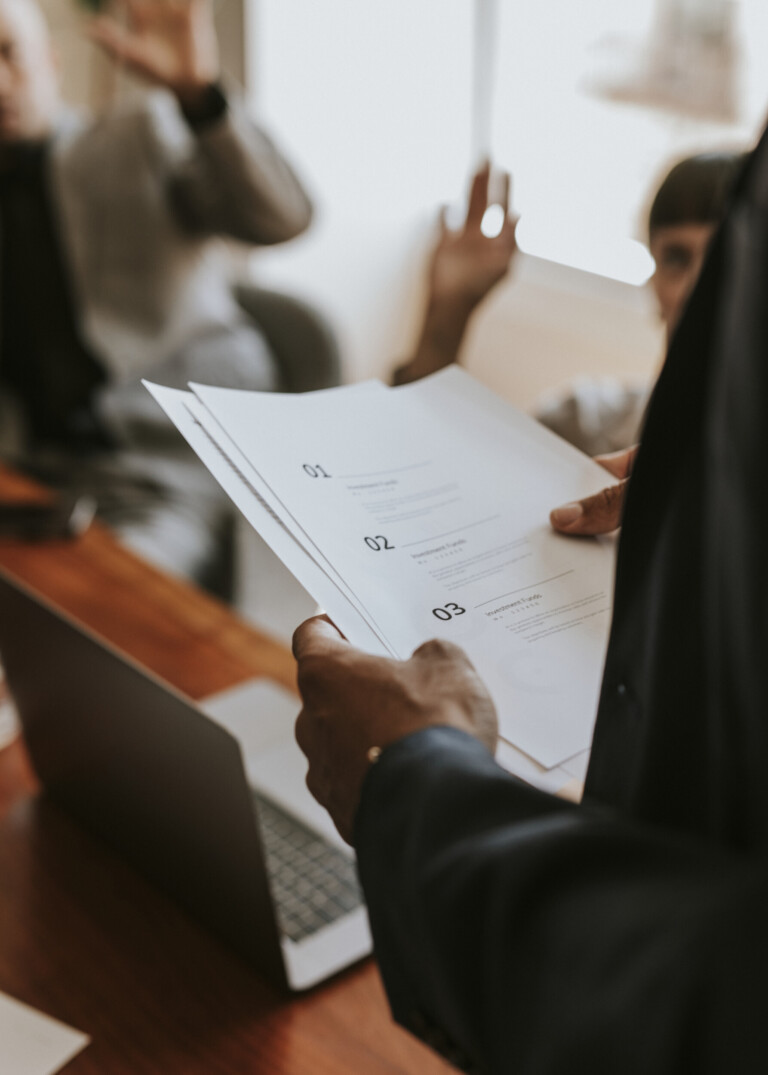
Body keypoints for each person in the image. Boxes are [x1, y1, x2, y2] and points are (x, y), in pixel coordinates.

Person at [291, 122, 768, 1073]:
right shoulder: (595, 419)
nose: (707, 284)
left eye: (730, 260)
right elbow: (420, 477)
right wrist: (444, 319)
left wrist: (423, 783)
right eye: (680, 258)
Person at [0, 0, 313, 597]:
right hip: (34, 468)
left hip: (165, 463)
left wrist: (200, 97)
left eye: (8, 52)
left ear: (52, 60)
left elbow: (283, 217)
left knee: (106, 618)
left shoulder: (134, 136)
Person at [394, 152, 744, 457]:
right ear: (652, 284)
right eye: (677, 259)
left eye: (722, 260)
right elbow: (433, 490)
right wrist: (448, 318)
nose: (697, 286)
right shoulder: (582, 424)